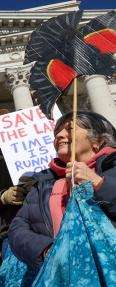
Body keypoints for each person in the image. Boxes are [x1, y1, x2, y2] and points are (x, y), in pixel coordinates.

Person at [9, 111, 116, 268]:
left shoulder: (112, 165)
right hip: (61, 275)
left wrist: (97, 182)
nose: (59, 135)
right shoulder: (43, 182)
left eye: (69, 128)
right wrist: (46, 250)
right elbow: (18, 228)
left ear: (97, 141)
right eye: (56, 132)